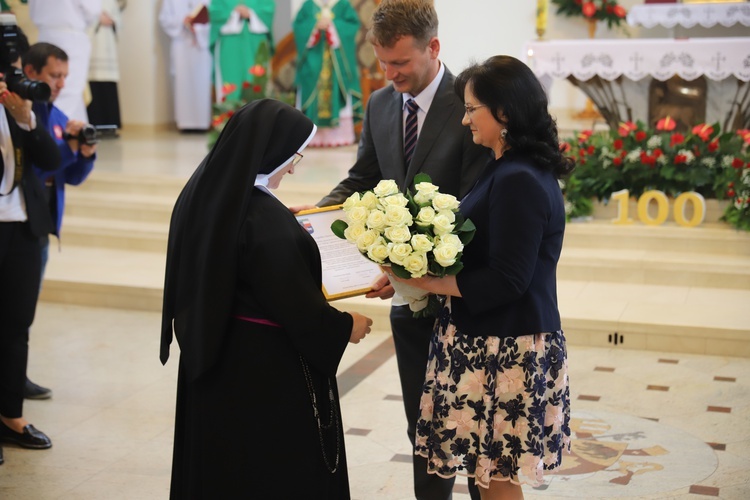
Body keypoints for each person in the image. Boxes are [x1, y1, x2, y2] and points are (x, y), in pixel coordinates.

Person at [291, 1, 487, 498]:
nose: (390, 73)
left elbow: (476, 202)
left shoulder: (469, 103)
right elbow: (363, 178)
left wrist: (414, 267)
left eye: (400, 63)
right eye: (383, 62)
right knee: (424, 429)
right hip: (406, 302)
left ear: (433, 47)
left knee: (477, 433)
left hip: (465, 299)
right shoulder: (380, 104)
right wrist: (313, 220)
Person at [160, 98, 373, 498]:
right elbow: (295, 306)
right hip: (261, 372)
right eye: (294, 155)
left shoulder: (207, 192)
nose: (294, 166)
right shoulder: (263, 220)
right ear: (271, 150)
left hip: (213, 355)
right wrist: (346, 326)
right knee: (264, 470)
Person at [387, 55, 574, 499]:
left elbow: (509, 278)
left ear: (504, 113)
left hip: (505, 348)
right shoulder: (504, 165)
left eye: (473, 109)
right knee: (487, 472)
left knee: (497, 477)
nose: (466, 119)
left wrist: (431, 284)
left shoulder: (519, 178)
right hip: (486, 340)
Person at [22, 41, 97, 400]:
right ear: (30, 71)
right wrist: (67, 149)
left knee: (25, 307)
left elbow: (73, 176)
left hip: (44, 223)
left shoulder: (55, 114)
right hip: (22, 222)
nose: (61, 83)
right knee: (16, 308)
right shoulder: (26, 114)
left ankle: (16, 375)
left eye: (65, 76)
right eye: (54, 75)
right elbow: (37, 169)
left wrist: (85, 153)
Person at [0, 45, 62, 462]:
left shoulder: (16, 102)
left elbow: (52, 159)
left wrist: (26, 117)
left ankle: (10, 417)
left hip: (22, 225)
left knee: (16, 324)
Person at [292, 0, 362, 147]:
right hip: (313, 59)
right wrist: (314, 26)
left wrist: (333, 25)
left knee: (339, 83)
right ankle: (310, 137)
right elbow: (298, 25)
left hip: (337, 62)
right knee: (311, 81)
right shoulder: (309, 5)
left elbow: (352, 25)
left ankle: (337, 137)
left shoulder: (342, 4)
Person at [28, 0, 101, 123]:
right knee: (66, 91)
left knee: (55, 91)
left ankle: (75, 134)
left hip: (44, 33)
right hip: (71, 34)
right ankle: (58, 132)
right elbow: (92, 10)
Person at [159, 0, 212, 131]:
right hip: (181, 43)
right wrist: (183, 21)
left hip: (202, 45)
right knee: (183, 83)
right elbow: (164, 19)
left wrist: (199, 29)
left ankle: (203, 123)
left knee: (202, 83)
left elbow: (215, 17)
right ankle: (184, 123)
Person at [209, 0, 274, 103]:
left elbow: (268, 9)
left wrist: (251, 13)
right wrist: (234, 14)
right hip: (229, 45)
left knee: (256, 84)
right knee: (230, 84)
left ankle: (257, 117)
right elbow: (215, 11)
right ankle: (229, 116)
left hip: (255, 42)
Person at [87, 0, 124, 131]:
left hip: (108, 49)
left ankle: (111, 125)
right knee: (94, 85)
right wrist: (98, 20)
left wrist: (113, 21)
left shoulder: (111, 2)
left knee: (109, 86)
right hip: (93, 48)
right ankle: (94, 124)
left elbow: (119, 20)